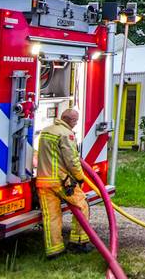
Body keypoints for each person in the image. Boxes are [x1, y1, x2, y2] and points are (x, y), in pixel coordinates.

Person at [36, 108, 93, 258]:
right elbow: (72, 160)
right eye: (75, 120)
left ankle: (54, 251)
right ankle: (78, 242)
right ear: (69, 120)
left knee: (51, 216)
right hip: (61, 181)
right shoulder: (66, 134)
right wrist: (80, 177)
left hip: (43, 181)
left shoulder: (46, 131)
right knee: (82, 205)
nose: (76, 123)